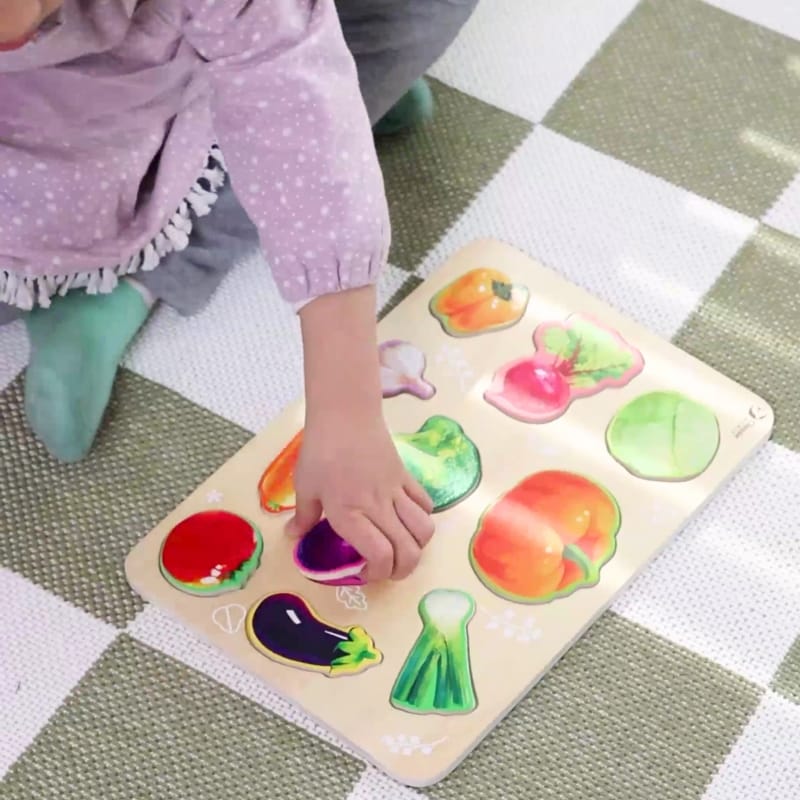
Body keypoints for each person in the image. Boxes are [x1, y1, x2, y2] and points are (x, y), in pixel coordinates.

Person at [0, 0, 478, 582]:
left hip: (207, 90)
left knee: (323, 97)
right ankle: (102, 275)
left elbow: (298, 126)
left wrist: (347, 413)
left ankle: (344, 85)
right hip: (50, 172)